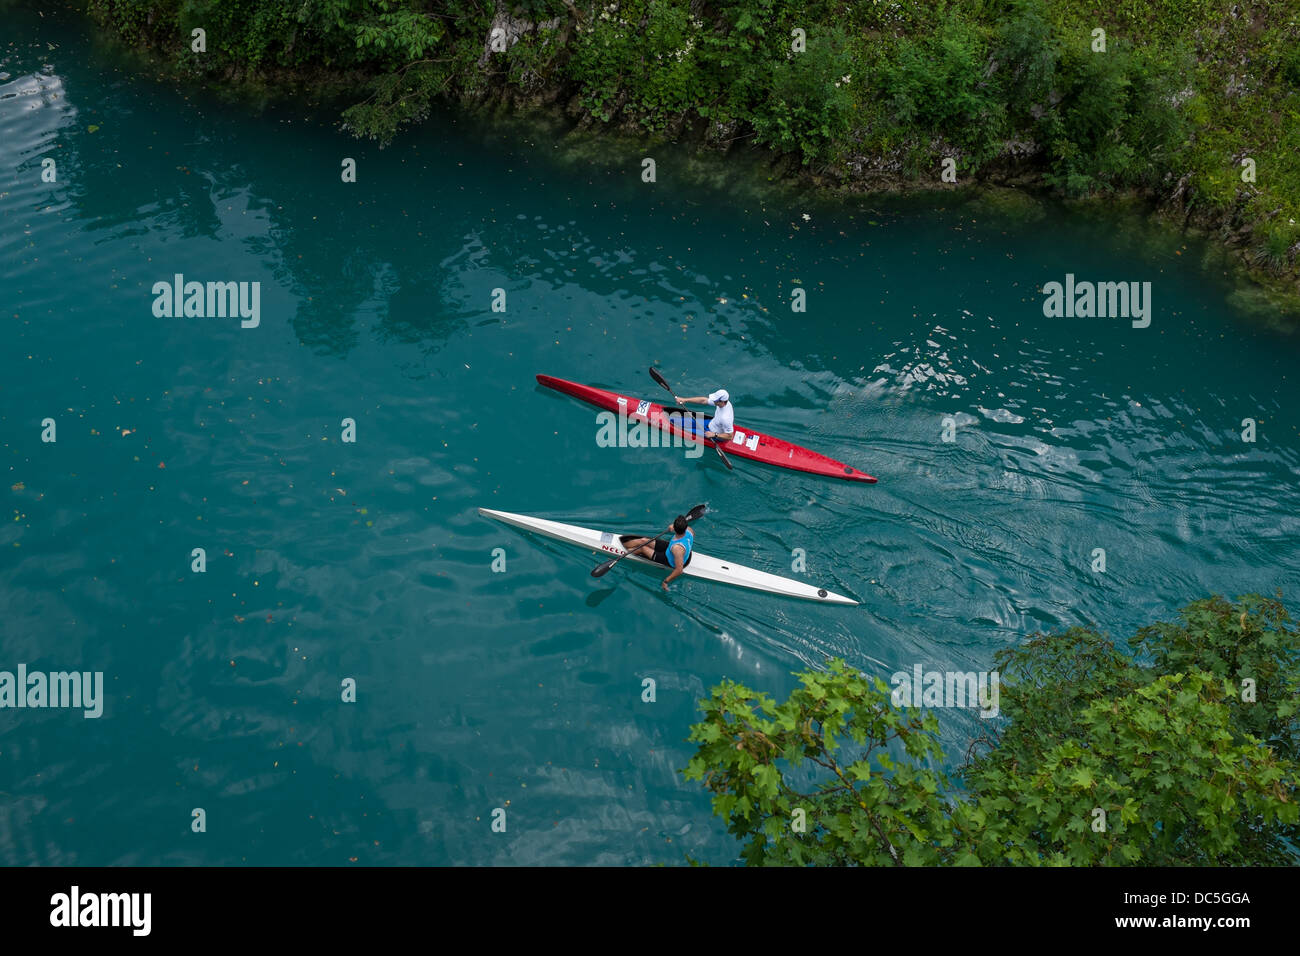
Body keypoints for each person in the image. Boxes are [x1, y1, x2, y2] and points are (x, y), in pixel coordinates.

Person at [622, 515, 694, 590]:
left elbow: (679, 570)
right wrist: (675, 526)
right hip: (670, 549)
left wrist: (666, 582)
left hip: (669, 560)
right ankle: (623, 546)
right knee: (643, 540)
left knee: (643, 548)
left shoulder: (677, 549)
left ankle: (623, 552)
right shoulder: (689, 531)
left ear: (675, 529)